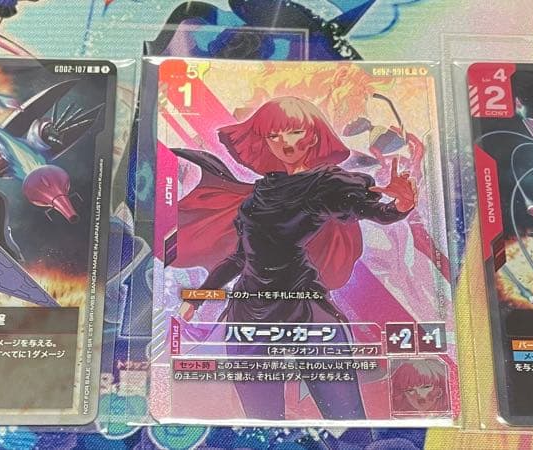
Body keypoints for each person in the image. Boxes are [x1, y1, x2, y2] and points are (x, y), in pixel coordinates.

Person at [174, 96, 417, 420]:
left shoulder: (326, 184)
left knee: (347, 419)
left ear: (314, 136)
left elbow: (370, 209)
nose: (284, 143)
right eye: (274, 135)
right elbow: (240, 257)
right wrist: (197, 298)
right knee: (261, 423)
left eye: (294, 132)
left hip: (304, 307)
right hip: (250, 314)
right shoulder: (261, 193)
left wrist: (400, 206)